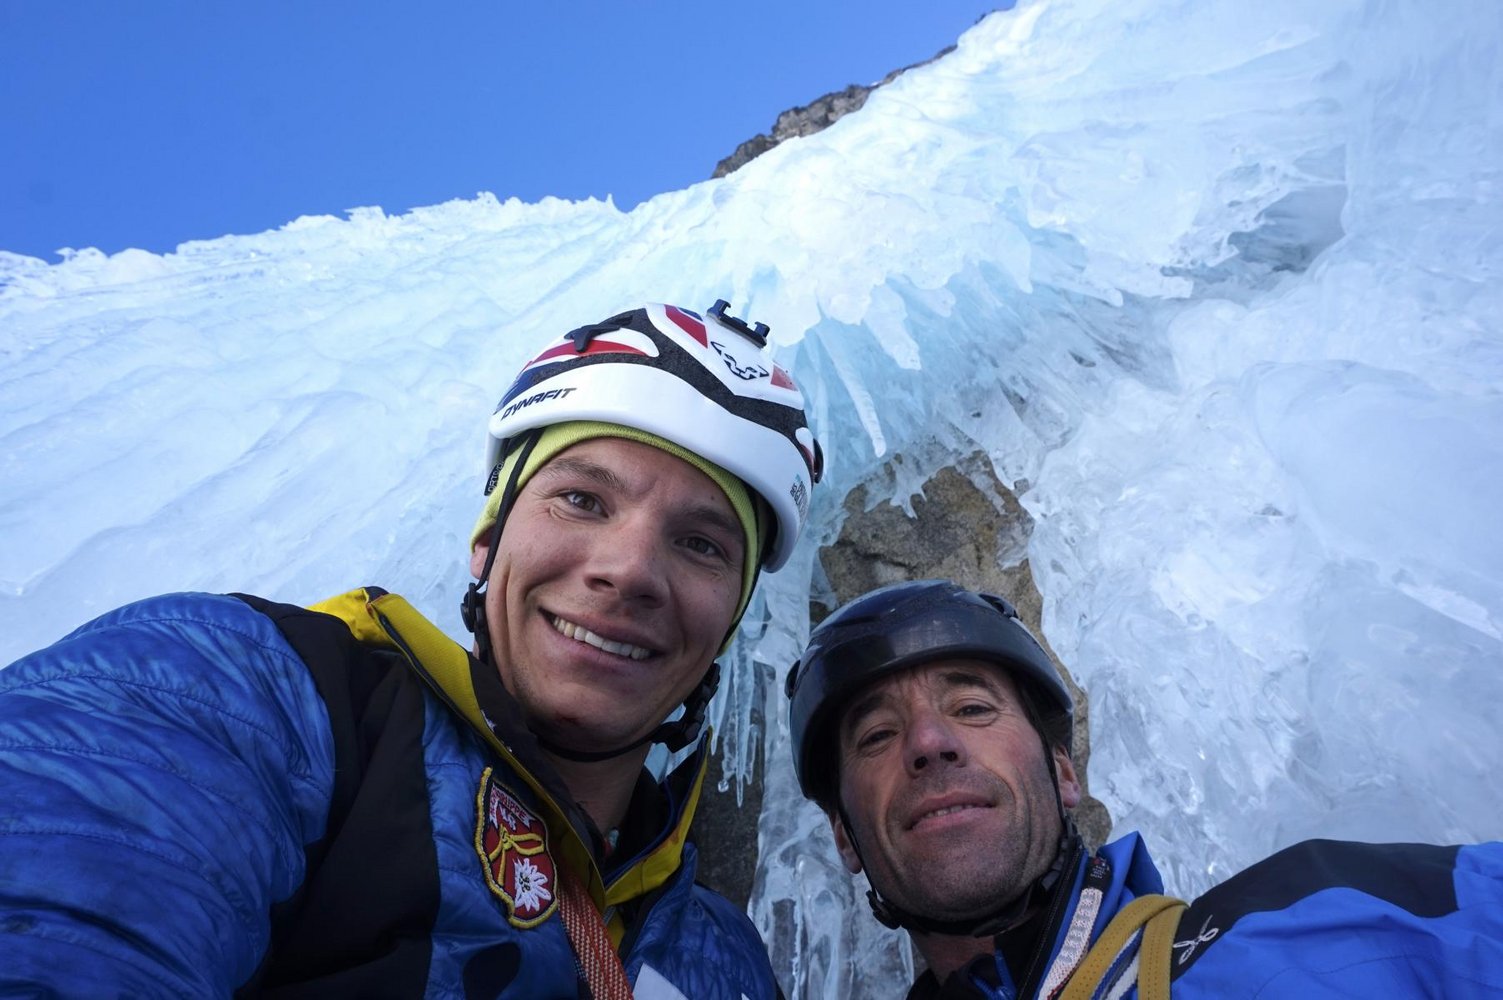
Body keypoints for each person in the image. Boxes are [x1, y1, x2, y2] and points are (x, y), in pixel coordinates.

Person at [0, 300, 822, 998]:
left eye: (702, 545)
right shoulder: (248, 697)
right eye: (581, 499)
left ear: (729, 619)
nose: (630, 570)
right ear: (487, 540)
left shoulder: (724, 957)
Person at [785, 579, 1503, 999]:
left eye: (972, 708)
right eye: (877, 736)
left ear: (1064, 774)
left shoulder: (1334, 922)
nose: (927, 742)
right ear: (844, 835)